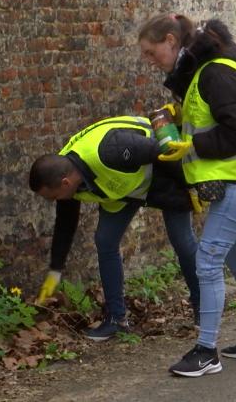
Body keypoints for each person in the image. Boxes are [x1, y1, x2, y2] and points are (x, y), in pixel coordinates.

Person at [138, 14, 236, 377]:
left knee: (208, 261)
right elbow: (218, 119)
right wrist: (181, 117)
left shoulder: (216, 73)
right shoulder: (205, 72)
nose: (149, 61)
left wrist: (192, 144)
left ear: (172, 41)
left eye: (151, 53)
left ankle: (206, 352)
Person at [29, 115, 200, 341]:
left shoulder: (111, 150)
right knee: (105, 240)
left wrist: (193, 187)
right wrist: (55, 270)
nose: (53, 201)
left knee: (182, 240)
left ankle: (204, 308)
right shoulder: (66, 173)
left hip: (165, 176)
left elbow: (163, 151)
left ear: (65, 184)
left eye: (52, 197)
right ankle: (117, 320)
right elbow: (65, 225)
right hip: (124, 191)